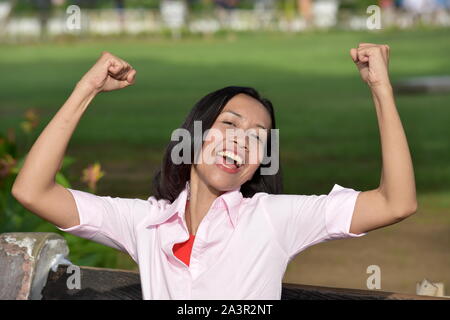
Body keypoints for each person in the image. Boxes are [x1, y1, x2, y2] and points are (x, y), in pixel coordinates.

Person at [12, 44, 418, 299]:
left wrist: (381, 90)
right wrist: (87, 89)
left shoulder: (273, 218)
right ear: (194, 135)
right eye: (230, 124)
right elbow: (32, 191)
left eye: (258, 136)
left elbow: (395, 202)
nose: (242, 140)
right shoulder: (147, 224)